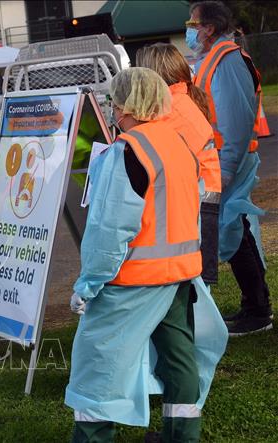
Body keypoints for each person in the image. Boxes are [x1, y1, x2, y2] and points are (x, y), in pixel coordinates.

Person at [65, 68, 225, 442]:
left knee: (97, 368)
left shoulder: (128, 151)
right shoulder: (178, 144)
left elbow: (110, 230)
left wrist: (88, 285)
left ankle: (91, 438)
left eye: (114, 102)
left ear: (127, 105)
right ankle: (182, 435)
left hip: (132, 281)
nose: (112, 109)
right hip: (180, 275)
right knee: (179, 361)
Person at [188, 1, 272, 335]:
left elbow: (236, 122)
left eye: (192, 23)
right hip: (220, 161)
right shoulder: (215, 58)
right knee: (235, 230)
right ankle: (255, 306)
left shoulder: (227, 60)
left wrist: (225, 170)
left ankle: (258, 309)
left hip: (227, 162)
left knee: (233, 231)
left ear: (208, 27)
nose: (190, 29)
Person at [136, 43, 221, 284]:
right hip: (199, 200)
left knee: (193, 289)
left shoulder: (170, 110)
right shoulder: (178, 101)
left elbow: (150, 151)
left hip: (197, 204)